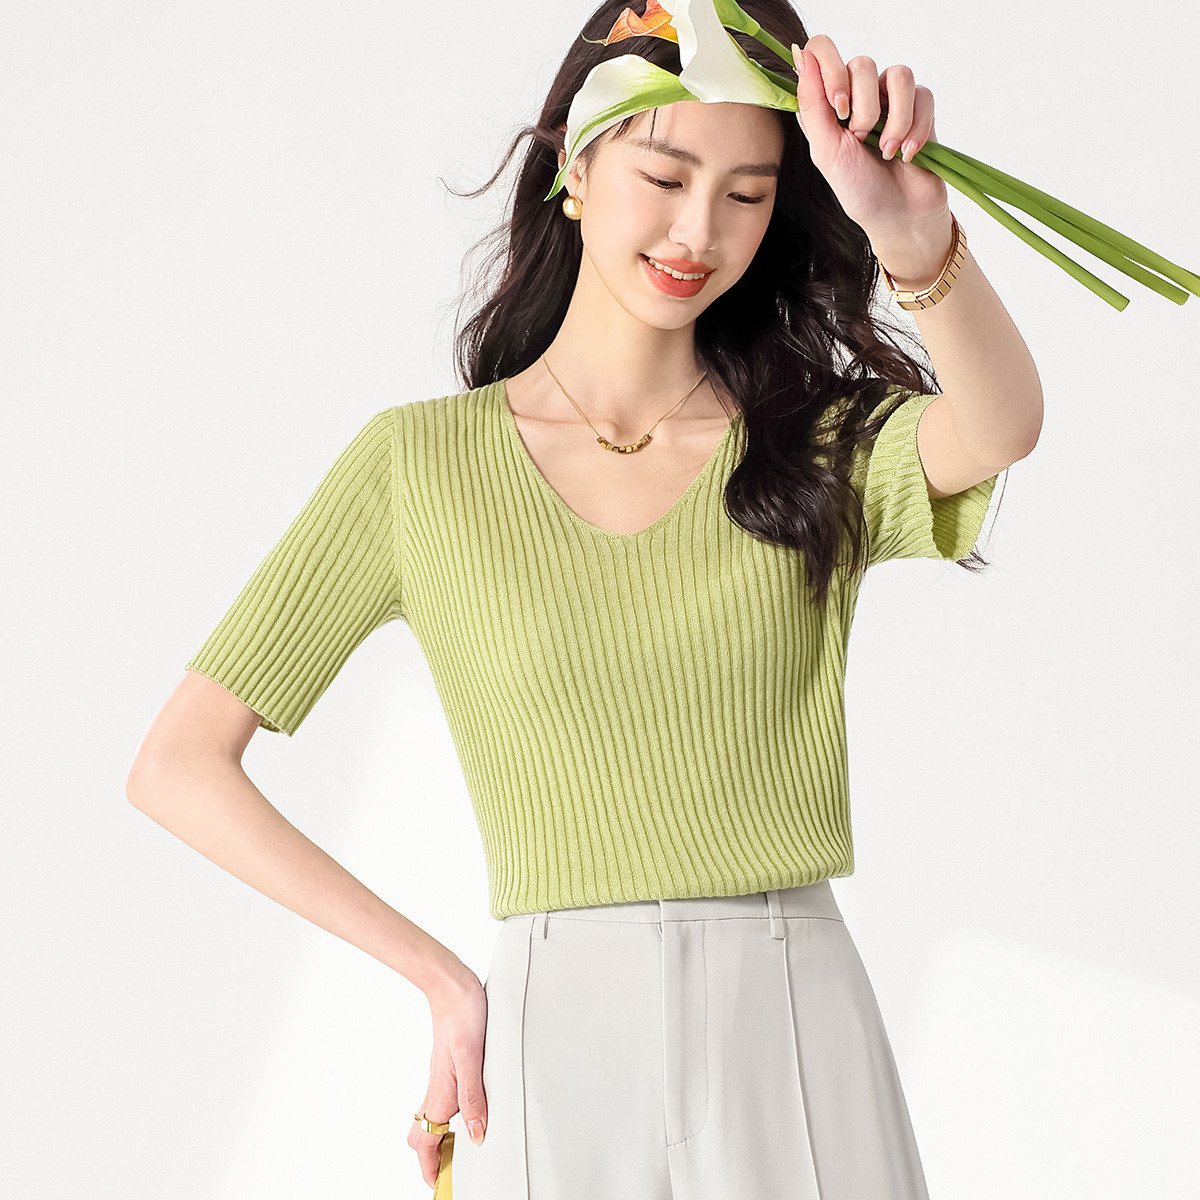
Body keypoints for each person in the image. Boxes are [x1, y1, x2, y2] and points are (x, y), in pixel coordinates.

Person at [126, 1, 1042, 1196]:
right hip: (556, 1027)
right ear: (574, 164)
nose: (698, 230)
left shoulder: (812, 446)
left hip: (793, 1011)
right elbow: (179, 765)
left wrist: (915, 239)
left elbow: (999, 427)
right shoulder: (417, 467)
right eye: (665, 176)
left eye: (748, 194)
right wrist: (440, 978)